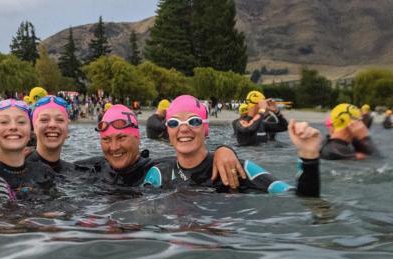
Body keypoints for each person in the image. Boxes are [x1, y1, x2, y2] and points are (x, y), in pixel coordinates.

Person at [144, 95, 321, 197]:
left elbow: (298, 197)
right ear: (168, 131)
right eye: (174, 123)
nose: (184, 129)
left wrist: (309, 156)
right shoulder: (159, 175)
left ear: (206, 129)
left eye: (194, 121)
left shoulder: (239, 168)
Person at [75, 104, 244, 188]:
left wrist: (224, 150)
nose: (114, 147)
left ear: (137, 138)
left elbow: (194, 163)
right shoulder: (94, 168)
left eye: (121, 137)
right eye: (106, 140)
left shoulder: (156, 169)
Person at [26, 95, 75, 173]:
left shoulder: (74, 171)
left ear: (67, 129)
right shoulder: (18, 169)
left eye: (60, 120)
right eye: (44, 120)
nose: (53, 125)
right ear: (34, 128)